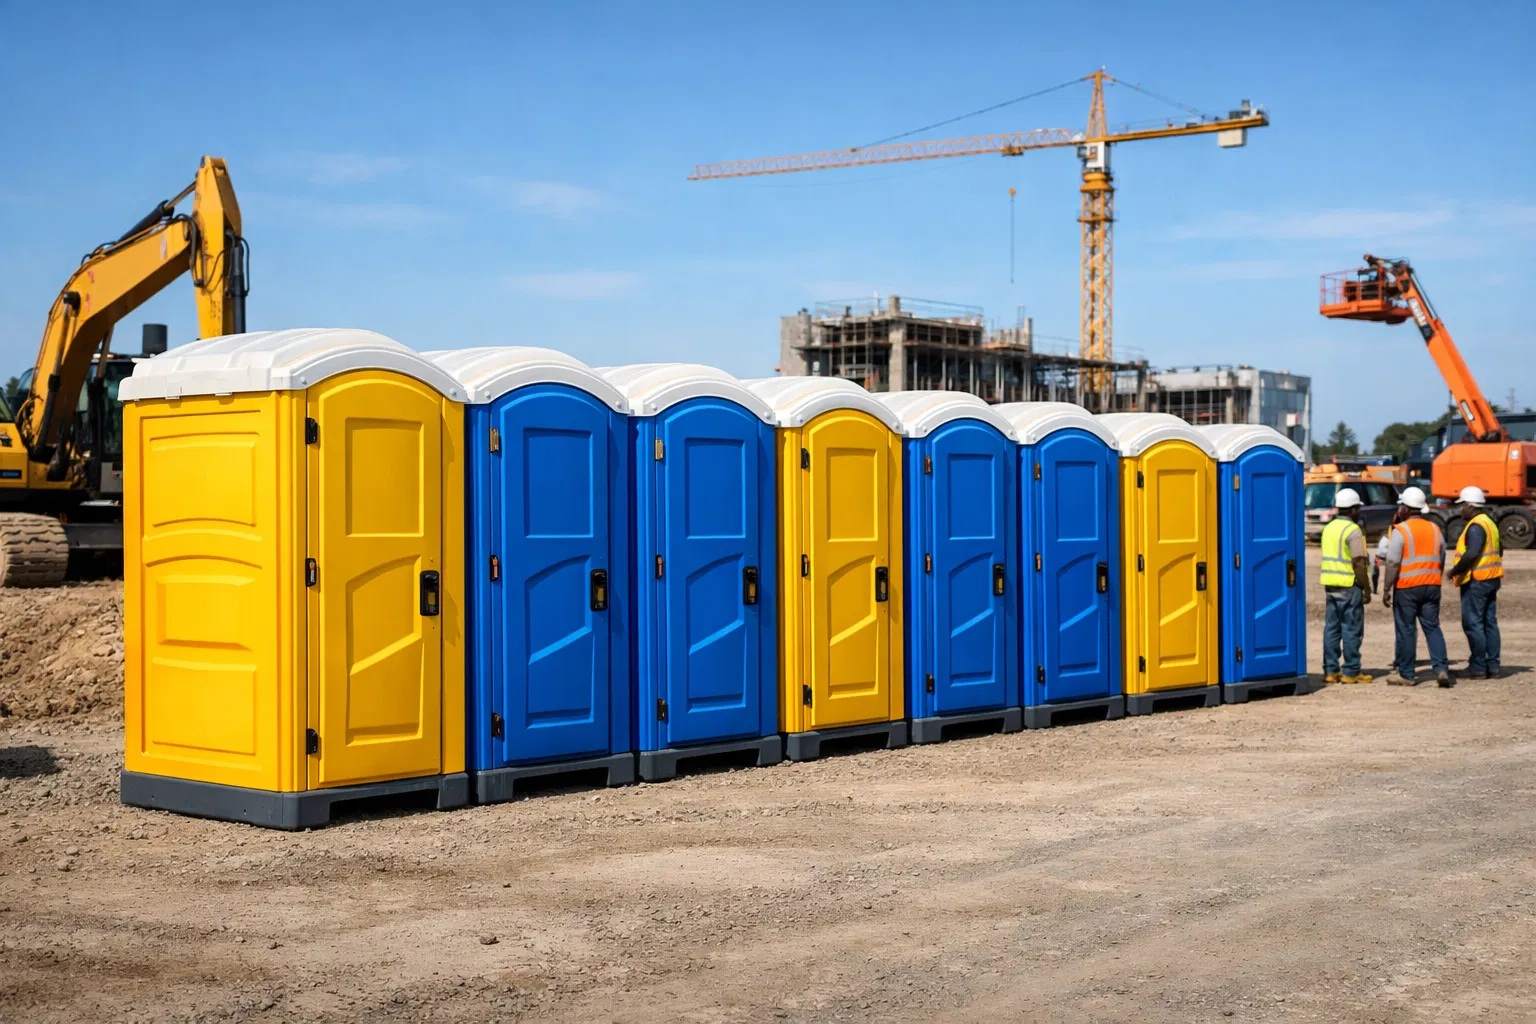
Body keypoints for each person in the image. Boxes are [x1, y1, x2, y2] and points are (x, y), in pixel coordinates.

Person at [1381, 486, 1452, 687]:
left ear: (1405, 508)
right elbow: (1442, 557)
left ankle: (1406, 673)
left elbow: (1393, 561)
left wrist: (1387, 589)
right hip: (1432, 585)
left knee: (1406, 629)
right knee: (1432, 627)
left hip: (1407, 587)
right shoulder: (1435, 529)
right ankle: (1440, 669)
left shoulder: (1401, 530)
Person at [1448, 485, 1503, 679]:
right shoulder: (1490, 523)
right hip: (1491, 578)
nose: (1460, 509)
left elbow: (1472, 553)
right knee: (1489, 623)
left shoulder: (1476, 526)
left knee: (1473, 623)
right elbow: (1500, 550)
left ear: (1471, 505)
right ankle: (1493, 666)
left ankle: (1478, 666)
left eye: (1462, 505)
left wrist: (1455, 571)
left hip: (1477, 581)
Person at [1320, 488, 1373, 684]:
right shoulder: (1353, 530)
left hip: (1331, 584)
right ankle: (1351, 671)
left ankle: (1330, 671)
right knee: (1351, 629)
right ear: (1351, 509)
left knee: (1332, 629)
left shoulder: (1328, 528)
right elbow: (1358, 561)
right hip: (1349, 585)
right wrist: (1366, 587)